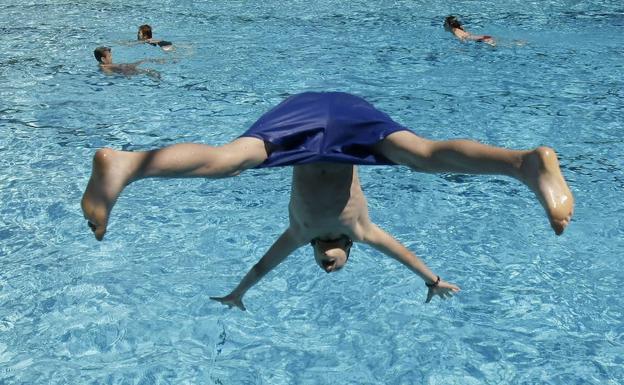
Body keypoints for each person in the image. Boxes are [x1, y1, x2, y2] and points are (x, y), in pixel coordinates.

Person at [81, 92, 574, 310]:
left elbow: (260, 268)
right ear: (347, 250)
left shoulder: (298, 236)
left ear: (318, 253)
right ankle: (519, 164)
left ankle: (128, 163)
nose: (327, 264)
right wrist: (434, 280)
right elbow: (405, 256)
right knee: (420, 155)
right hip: (347, 126)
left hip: (300, 126)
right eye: (333, 264)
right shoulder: (363, 230)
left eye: (322, 265)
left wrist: (238, 294)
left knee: (229, 162)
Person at [93, 46, 162, 78]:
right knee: (151, 72)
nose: (112, 58)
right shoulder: (104, 67)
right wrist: (125, 76)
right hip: (127, 72)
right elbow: (110, 76)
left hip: (126, 69)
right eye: (110, 56)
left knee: (148, 67)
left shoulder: (104, 65)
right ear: (103, 59)